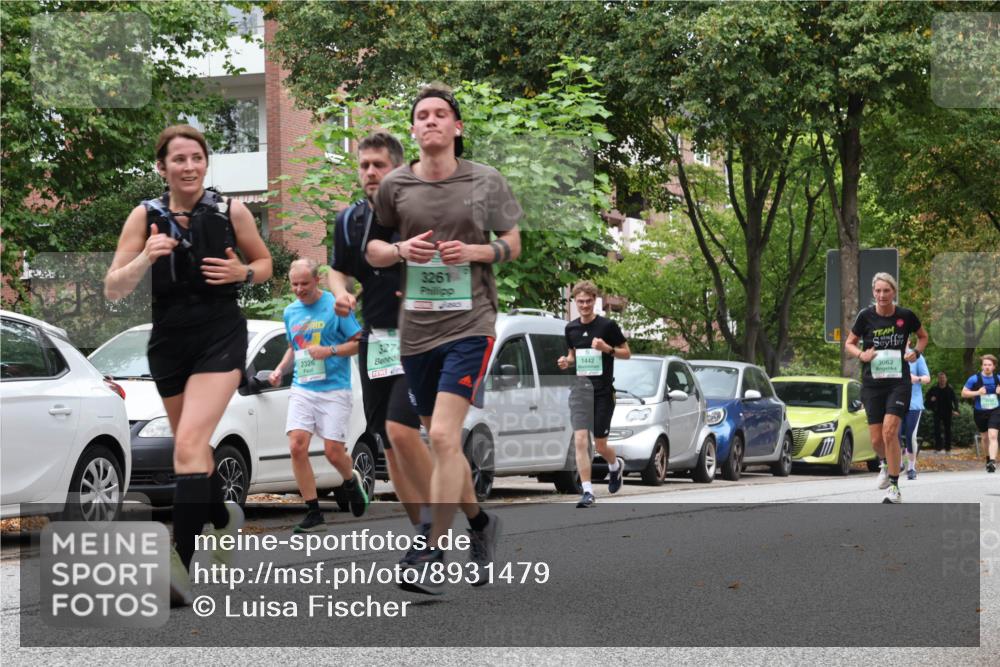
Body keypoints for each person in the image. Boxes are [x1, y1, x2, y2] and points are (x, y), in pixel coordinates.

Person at [104, 124, 273, 606]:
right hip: (169, 342)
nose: (189, 166)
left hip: (220, 335)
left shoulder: (231, 210)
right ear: (163, 167)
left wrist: (243, 271)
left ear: (205, 163)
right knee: (191, 449)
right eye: (179, 159)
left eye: (197, 157)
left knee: (191, 445)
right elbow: (114, 286)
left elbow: (264, 264)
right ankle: (221, 517)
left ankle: (179, 565)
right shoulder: (144, 216)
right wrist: (145, 259)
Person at [368, 83, 523, 593]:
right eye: (422, 115)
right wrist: (398, 251)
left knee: (439, 438)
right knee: (443, 448)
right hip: (416, 331)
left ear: (457, 127)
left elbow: (512, 244)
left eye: (441, 114)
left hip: (470, 324)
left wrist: (478, 254)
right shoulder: (395, 186)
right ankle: (480, 523)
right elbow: (371, 251)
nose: (431, 121)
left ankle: (429, 550)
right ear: (413, 129)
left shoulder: (486, 180)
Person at [327, 131, 433, 559]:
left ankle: (436, 530)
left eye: (379, 165)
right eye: (364, 165)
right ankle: (424, 533)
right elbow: (338, 270)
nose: (370, 172)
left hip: (422, 337)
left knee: (400, 429)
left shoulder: (421, 212)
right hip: (377, 341)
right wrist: (340, 293)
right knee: (388, 444)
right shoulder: (349, 220)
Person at [269, 259, 366, 532]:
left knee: (334, 453)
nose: (299, 289)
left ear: (317, 281)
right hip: (303, 387)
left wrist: (330, 351)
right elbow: (293, 347)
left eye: (305, 284)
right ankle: (313, 512)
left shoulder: (336, 308)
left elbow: (359, 343)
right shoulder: (290, 312)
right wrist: (279, 369)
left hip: (335, 388)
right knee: (296, 446)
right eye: (295, 284)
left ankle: (350, 479)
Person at [844, 273, 928, 504]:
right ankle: (887, 463)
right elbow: (849, 343)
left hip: (898, 382)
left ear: (893, 292)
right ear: (874, 292)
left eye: (886, 291)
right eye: (878, 291)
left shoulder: (905, 316)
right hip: (873, 384)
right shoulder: (865, 317)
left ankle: (894, 487)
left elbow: (923, 337)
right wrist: (862, 354)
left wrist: (916, 353)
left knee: (890, 431)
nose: (882, 295)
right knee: (876, 440)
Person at [557, 281, 631, 508]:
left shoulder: (608, 326)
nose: (585, 305)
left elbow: (627, 353)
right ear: (575, 302)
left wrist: (606, 349)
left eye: (589, 301)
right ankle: (587, 491)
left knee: (600, 445)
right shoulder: (571, 329)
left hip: (603, 392)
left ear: (595, 301)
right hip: (580, 391)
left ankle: (614, 464)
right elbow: (573, 356)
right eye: (580, 301)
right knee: (580, 440)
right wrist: (565, 362)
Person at [961, 354, 1000, 473]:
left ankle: (993, 462)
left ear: (994, 367)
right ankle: (988, 458)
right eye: (985, 365)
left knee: (993, 435)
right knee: (984, 437)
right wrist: (977, 392)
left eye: (989, 365)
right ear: (982, 366)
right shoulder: (974, 379)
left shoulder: (998, 378)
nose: (987, 367)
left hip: (995, 410)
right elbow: (963, 393)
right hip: (980, 411)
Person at [898, 337, 930, 480]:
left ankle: (911, 467)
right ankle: (898, 463)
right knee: (894, 435)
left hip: (913, 403)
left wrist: (915, 379)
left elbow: (927, 378)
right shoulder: (890, 357)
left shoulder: (917, 357)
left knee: (910, 436)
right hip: (895, 402)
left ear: (908, 341)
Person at [926, 372, 959, 453]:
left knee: (948, 430)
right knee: (937, 430)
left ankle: (948, 449)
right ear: (938, 379)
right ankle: (938, 448)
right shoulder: (934, 388)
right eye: (940, 378)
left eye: (943, 378)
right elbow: (927, 397)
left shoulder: (950, 389)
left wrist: (956, 410)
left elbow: (955, 400)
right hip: (937, 411)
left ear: (946, 379)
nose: (942, 380)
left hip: (948, 412)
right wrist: (931, 399)